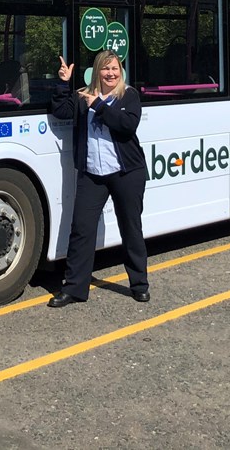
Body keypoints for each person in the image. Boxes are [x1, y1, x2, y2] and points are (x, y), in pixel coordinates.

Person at [47, 50, 150, 307]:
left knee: (131, 227)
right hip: (93, 173)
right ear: (97, 72)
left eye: (114, 68)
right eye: (105, 69)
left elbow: (127, 125)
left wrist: (99, 105)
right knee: (81, 229)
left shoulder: (129, 96)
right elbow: (60, 110)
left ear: (120, 71)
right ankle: (74, 289)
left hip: (126, 173)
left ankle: (139, 284)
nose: (110, 73)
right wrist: (62, 83)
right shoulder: (83, 96)